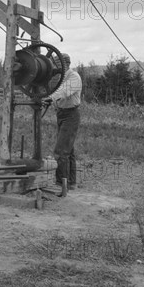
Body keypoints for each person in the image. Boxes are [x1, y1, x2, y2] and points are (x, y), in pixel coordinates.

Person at [43, 53, 82, 190]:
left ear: (67, 63)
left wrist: (50, 98)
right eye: (56, 63)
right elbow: (57, 92)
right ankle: (71, 183)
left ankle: (61, 183)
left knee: (60, 151)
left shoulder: (74, 77)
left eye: (59, 63)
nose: (57, 66)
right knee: (68, 150)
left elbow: (64, 92)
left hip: (71, 115)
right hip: (62, 114)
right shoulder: (61, 79)